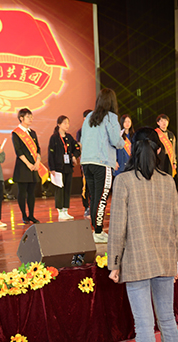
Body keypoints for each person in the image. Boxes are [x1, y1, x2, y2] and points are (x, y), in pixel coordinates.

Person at [108, 127, 178, 342]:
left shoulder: (124, 180)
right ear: (158, 150)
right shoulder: (168, 181)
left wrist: (114, 263)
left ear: (132, 148)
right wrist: (176, 261)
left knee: (144, 325)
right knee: (167, 320)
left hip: (137, 261)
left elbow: (117, 226)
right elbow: (177, 225)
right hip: (165, 260)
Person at [80, 89, 124, 243]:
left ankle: (96, 230)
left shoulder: (89, 117)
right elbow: (116, 141)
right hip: (102, 163)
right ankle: (98, 232)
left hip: (87, 162)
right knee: (101, 198)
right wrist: (122, 141)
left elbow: (82, 139)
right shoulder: (111, 117)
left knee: (94, 197)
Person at [12, 108, 42, 224]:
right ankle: (24, 215)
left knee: (31, 192)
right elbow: (18, 151)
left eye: (31, 117)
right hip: (23, 166)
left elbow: (38, 148)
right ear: (21, 118)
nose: (31, 119)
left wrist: (37, 162)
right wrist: (28, 164)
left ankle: (31, 215)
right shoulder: (16, 133)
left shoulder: (32, 132)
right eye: (28, 117)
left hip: (34, 166)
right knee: (22, 192)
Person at [47, 115, 79, 220]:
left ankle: (66, 210)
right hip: (58, 168)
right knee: (59, 189)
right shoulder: (54, 138)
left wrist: (74, 156)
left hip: (68, 167)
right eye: (65, 123)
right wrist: (52, 168)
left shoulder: (69, 137)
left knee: (67, 189)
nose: (67, 125)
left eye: (68, 123)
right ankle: (60, 210)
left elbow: (76, 148)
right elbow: (51, 154)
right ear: (59, 124)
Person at [76, 109, 92, 218]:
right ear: (84, 118)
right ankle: (86, 207)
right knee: (85, 185)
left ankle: (94, 206)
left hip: (96, 161)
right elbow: (80, 145)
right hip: (86, 161)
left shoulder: (96, 130)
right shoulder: (81, 131)